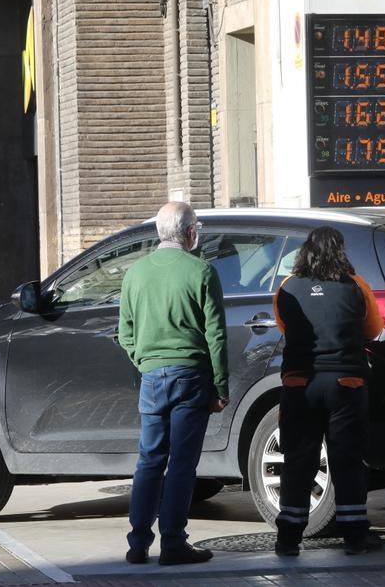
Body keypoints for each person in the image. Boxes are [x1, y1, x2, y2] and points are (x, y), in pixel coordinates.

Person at [118, 201, 229, 566]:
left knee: (149, 459)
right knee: (181, 463)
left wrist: (145, 362)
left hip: (152, 377)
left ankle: (137, 542)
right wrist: (220, 386)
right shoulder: (201, 271)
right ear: (189, 232)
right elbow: (215, 334)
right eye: (197, 227)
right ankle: (173, 542)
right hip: (191, 376)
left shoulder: (134, 273)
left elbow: (125, 334)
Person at [272, 226, 384, 556]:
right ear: (341, 251)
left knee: (298, 460)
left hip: (299, 384)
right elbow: (373, 329)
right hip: (345, 384)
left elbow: (285, 327)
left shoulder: (287, 287)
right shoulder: (356, 285)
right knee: (347, 460)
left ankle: (288, 538)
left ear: (305, 250)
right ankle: (354, 535)